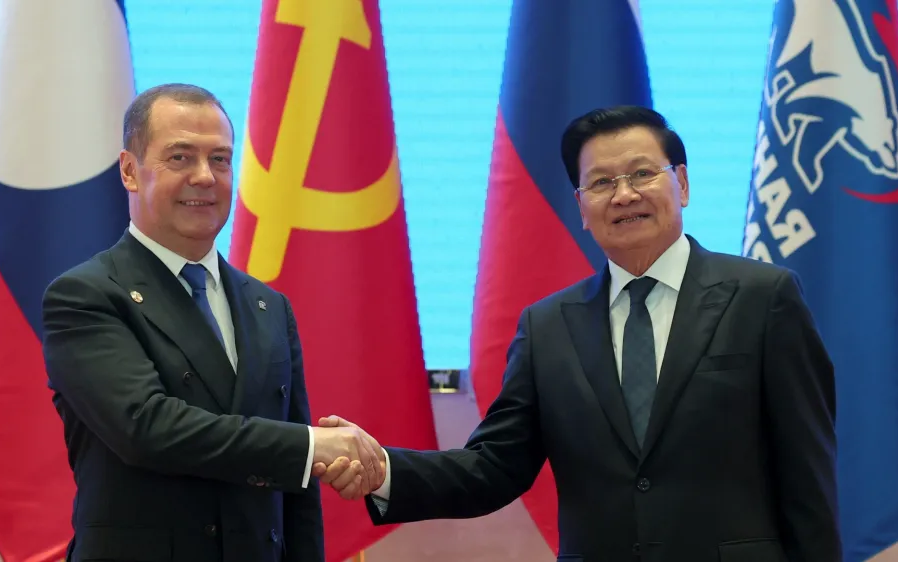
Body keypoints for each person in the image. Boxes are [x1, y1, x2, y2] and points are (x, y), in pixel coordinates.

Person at [313, 106, 841, 561]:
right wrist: (382, 470)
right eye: (602, 182)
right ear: (581, 207)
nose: (624, 195)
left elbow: (807, 475)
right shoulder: (547, 328)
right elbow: (495, 467)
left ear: (681, 183)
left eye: (642, 174)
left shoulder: (763, 297)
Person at [41, 83, 384, 562]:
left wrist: (310, 455)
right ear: (129, 171)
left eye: (220, 159)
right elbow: (148, 427)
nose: (205, 177)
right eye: (180, 158)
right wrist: (310, 447)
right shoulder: (87, 295)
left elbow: (296, 495)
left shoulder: (269, 306)